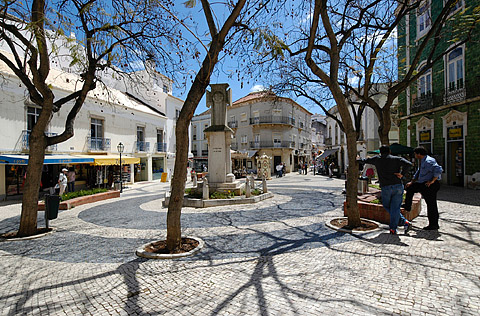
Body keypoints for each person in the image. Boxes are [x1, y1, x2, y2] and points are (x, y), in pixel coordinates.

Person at [360, 145, 413, 235]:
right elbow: (409, 164)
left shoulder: (377, 159)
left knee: (387, 206)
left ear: (380, 152)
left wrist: (358, 158)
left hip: (386, 186)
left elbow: (364, 161)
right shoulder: (396, 159)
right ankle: (403, 223)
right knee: (395, 208)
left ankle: (396, 227)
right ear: (389, 151)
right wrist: (402, 174)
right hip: (398, 185)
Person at [403, 146, 443, 230]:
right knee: (410, 188)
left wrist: (432, 181)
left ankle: (434, 224)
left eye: (415, 154)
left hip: (430, 185)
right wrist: (412, 181)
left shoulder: (429, 161)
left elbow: (438, 169)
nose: (414, 155)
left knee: (431, 205)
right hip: (423, 183)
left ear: (419, 154)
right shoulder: (422, 161)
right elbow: (419, 171)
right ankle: (407, 205)